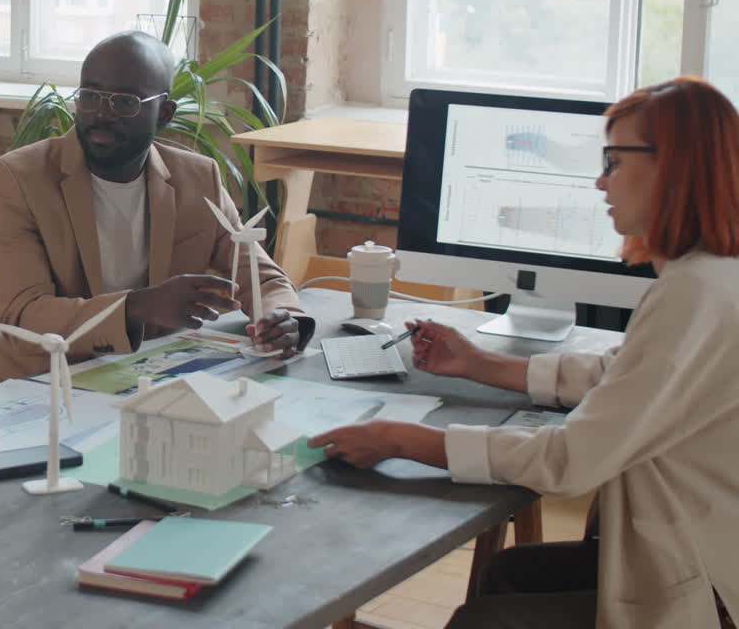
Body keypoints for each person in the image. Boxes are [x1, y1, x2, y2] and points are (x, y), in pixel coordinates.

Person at [309, 77, 739, 629]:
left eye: (614, 161)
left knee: (483, 619)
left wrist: (403, 439)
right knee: (509, 575)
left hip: (711, 587)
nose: (599, 181)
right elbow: (624, 375)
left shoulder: (694, 291)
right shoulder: (711, 275)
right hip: (699, 546)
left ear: (674, 165)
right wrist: (480, 363)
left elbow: (569, 460)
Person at [0, 31, 315, 390]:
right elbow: (24, 314)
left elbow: (260, 277)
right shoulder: (19, 177)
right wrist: (140, 306)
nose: (101, 114)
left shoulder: (197, 178)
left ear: (164, 112)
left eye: (124, 102)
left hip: (148, 377)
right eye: (90, 96)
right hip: (43, 382)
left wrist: (284, 319)